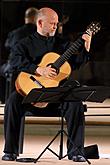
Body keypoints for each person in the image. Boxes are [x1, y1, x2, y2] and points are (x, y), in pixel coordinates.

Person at [2, 7, 92, 162]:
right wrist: (38, 70)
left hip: (55, 95)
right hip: (30, 94)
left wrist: (86, 48)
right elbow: (14, 62)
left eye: (57, 23)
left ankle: (76, 152)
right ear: (40, 22)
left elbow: (76, 63)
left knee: (75, 103)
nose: (55, 26)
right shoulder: (24, 44)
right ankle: (10, 151)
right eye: (52, 23)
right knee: (12, 102)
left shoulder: (62, 44)